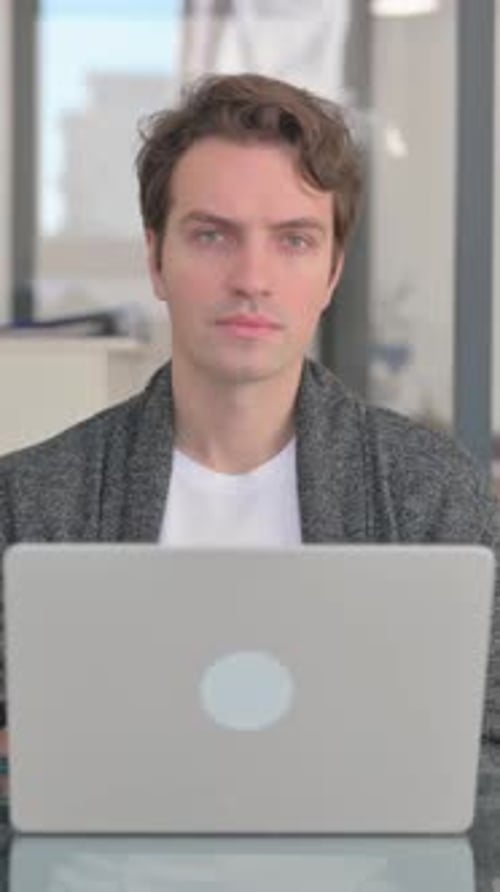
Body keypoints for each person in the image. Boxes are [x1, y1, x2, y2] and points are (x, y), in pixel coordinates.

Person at [0, 73, 499, 752]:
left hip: (368, 862)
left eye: (294, 240)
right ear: (155, 258)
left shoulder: (434, 496)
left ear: (331, 272)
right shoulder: (28, 505)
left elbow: (491, 750)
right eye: (212, 236)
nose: (252, 278)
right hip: (100, 863)